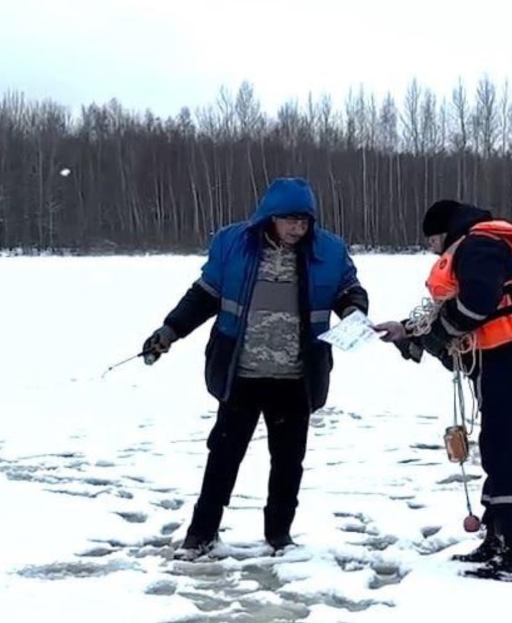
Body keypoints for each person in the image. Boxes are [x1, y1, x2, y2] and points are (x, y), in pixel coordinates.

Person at [141, 177, 369, 558]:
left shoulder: (328, 251)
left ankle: (279, 535)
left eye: (305, 221)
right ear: (270, 217)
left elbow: (350, 290)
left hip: (296, 378)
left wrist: (353, 311)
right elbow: (204, 296)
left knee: (287, 463)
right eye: (290, 220)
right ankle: (202, 533)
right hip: (240, 374)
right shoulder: (234, 246)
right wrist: (170, 331)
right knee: (223, 457)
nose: (299, 229)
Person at [375, 199, 512, 581]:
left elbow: (476, 302)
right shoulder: (478, 246)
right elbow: (454, 311)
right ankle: (496, 538)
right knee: (497, 448)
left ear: (444, 233)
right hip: (504, 359)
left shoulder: (480, 245)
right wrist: (408, 331)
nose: (430, 249)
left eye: (430, 241)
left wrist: (438, 337)